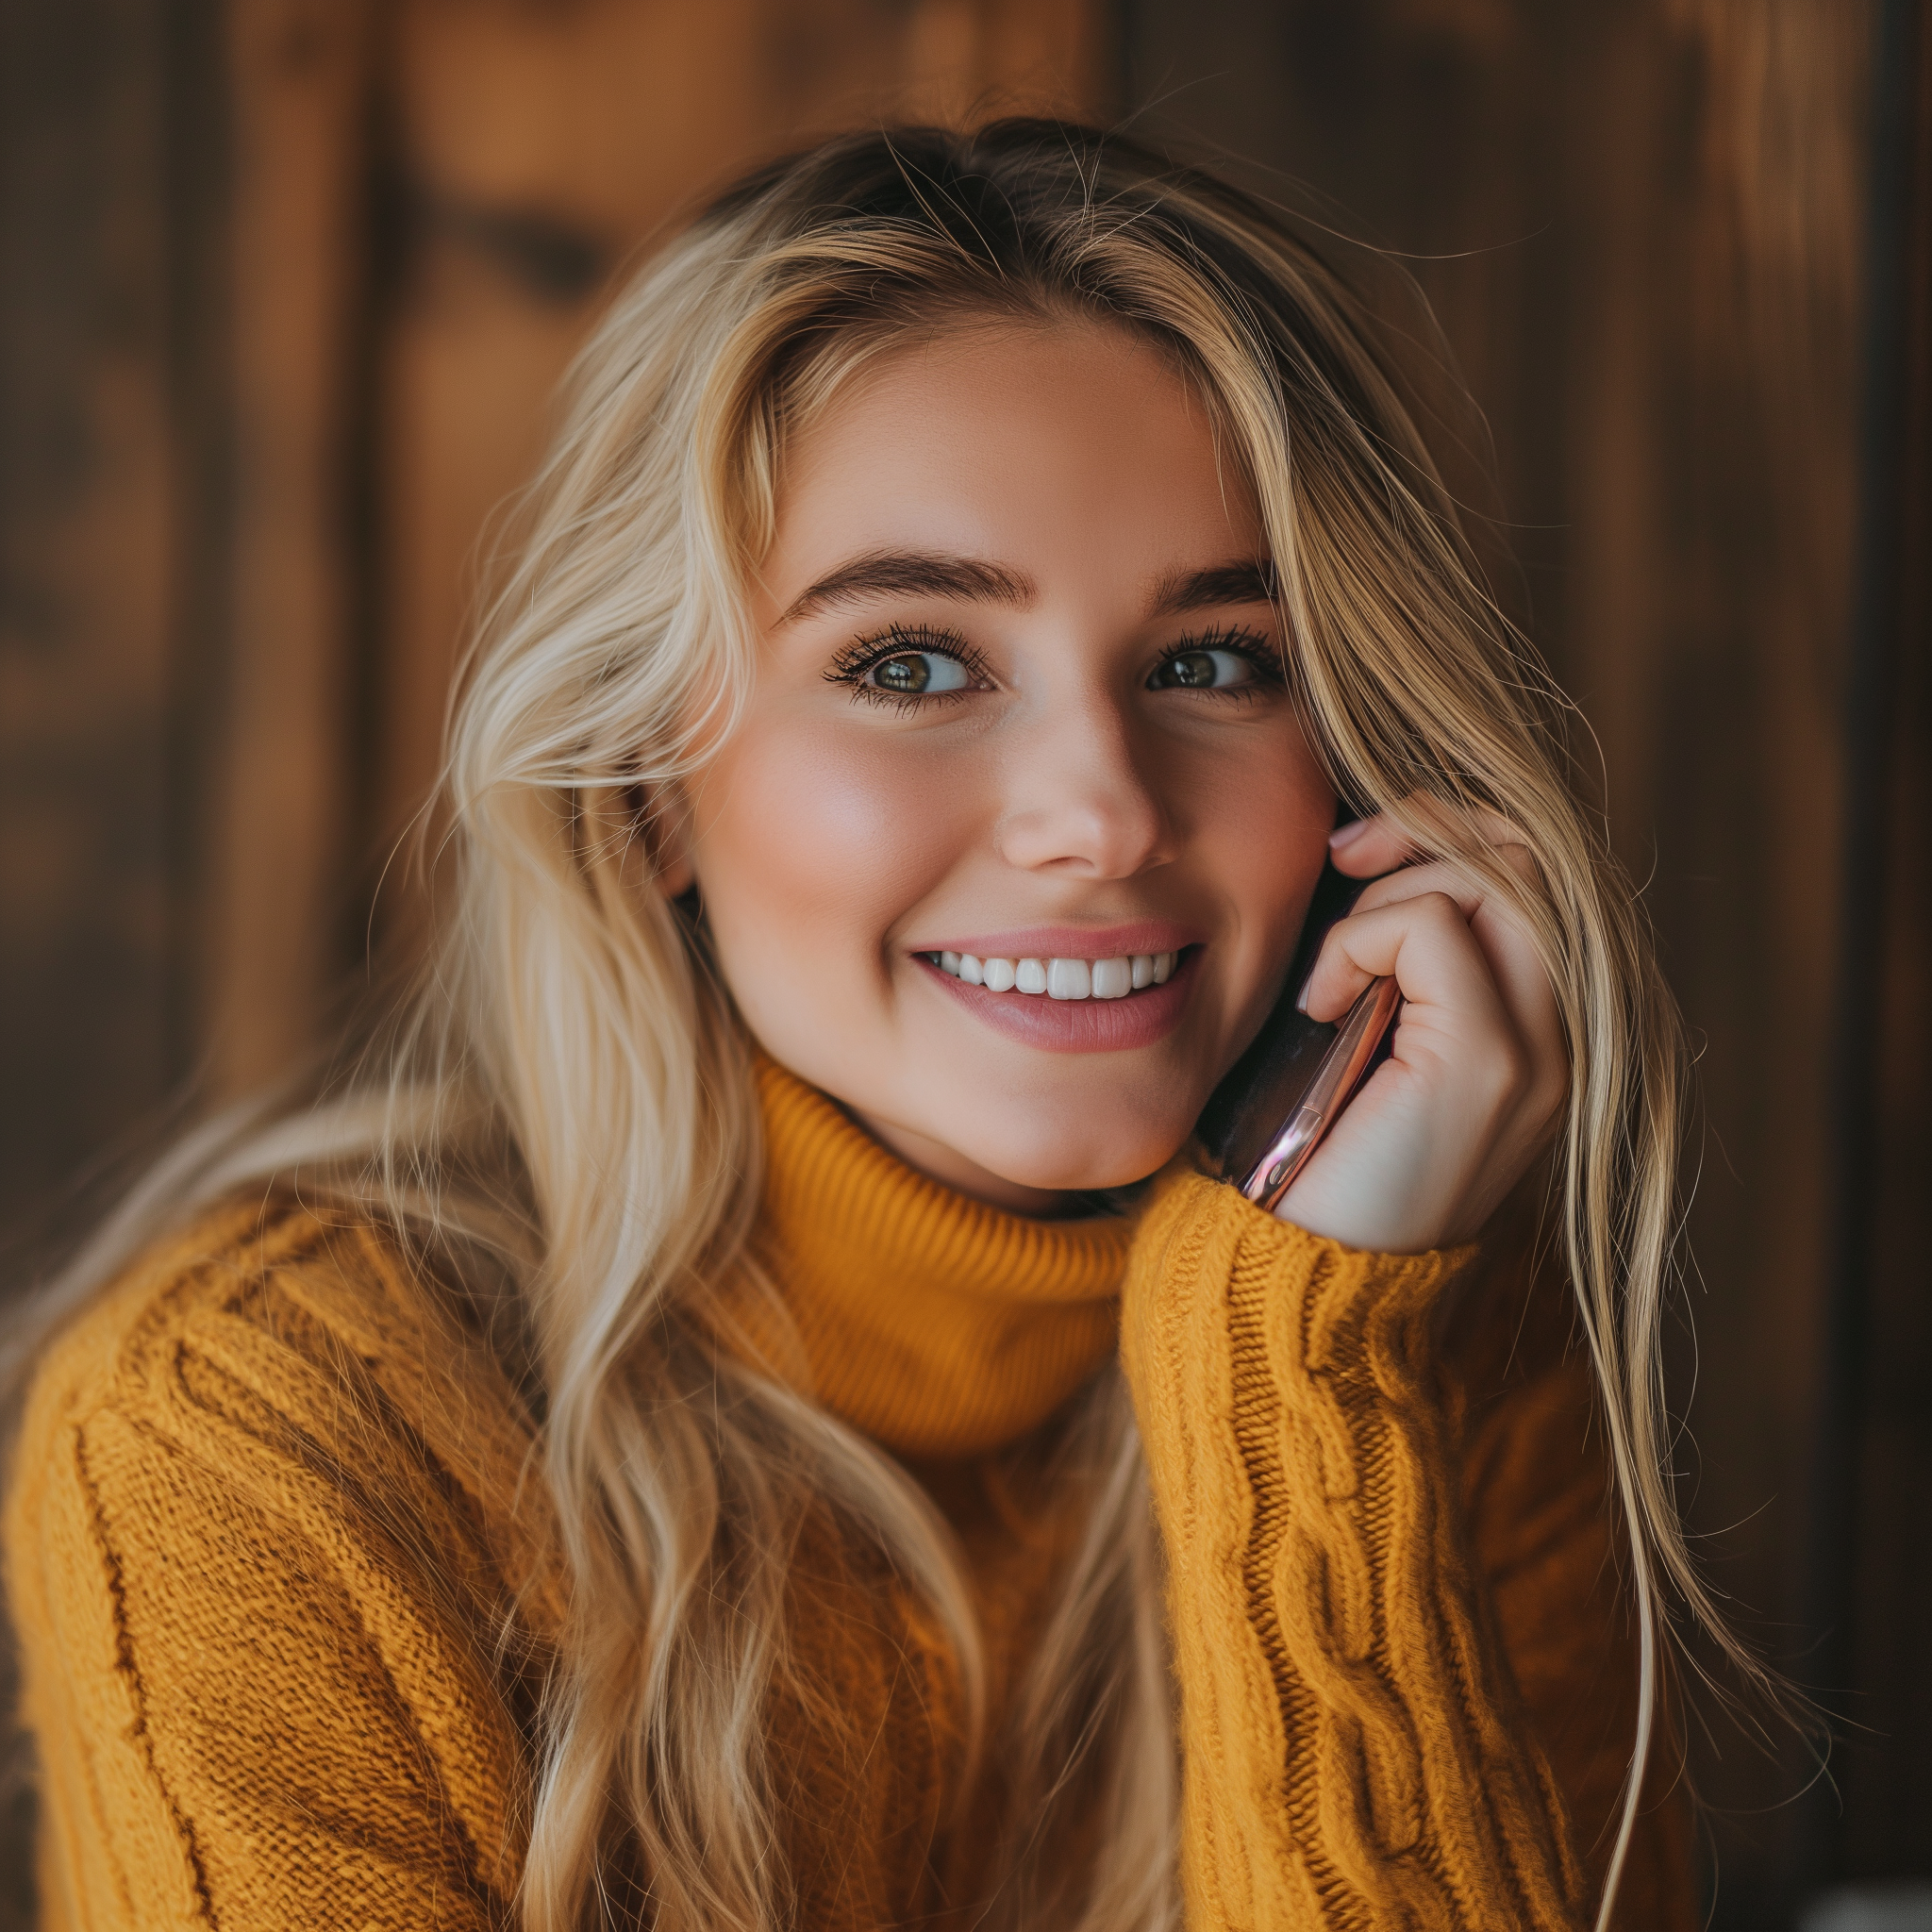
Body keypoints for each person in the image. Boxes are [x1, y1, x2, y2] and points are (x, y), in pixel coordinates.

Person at [4, 122, 1739, 1931]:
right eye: (911, 662)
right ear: (648, 785)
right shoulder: (255, 1435)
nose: (1106, 814)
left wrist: (1300, 1376)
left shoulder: (1426, 1339)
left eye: (1219, 661)